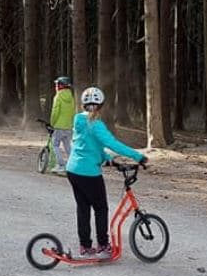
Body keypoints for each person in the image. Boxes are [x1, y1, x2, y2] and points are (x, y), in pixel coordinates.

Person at [66, 86, 148, 257]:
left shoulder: (78, 120)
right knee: (101, 208)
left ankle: (85, 246)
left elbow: (89, 144)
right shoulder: (95, 124)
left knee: (83, 208)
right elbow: (113, 144)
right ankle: (103, 245)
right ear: (101, 105)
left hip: (73, 170)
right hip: (88, 172)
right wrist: (138, 156)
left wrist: (107, 159)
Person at [48, 76, 75, 174]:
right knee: (68, 146)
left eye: (56, 84)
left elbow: (55, 112)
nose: (55, 86)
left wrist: (52, 123)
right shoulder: (71, 97)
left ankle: (61, 165)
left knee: (55, 145)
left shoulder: (58, 96)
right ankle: (73, 165)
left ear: (60, 86)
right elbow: (72, 111)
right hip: (68, 126)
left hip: (59, 126)